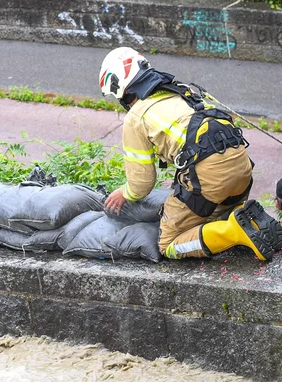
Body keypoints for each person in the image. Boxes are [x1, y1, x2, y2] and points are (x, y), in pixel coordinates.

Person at [99, 47, 281, 261]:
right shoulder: (180, 92)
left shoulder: (136, 116)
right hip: (241, 171)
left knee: (168, 244)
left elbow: (141, 184)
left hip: (211, 179)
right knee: (205, 219)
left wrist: (125, 193)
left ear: (120, 87)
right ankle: (246, 218)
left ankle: (233, 231)